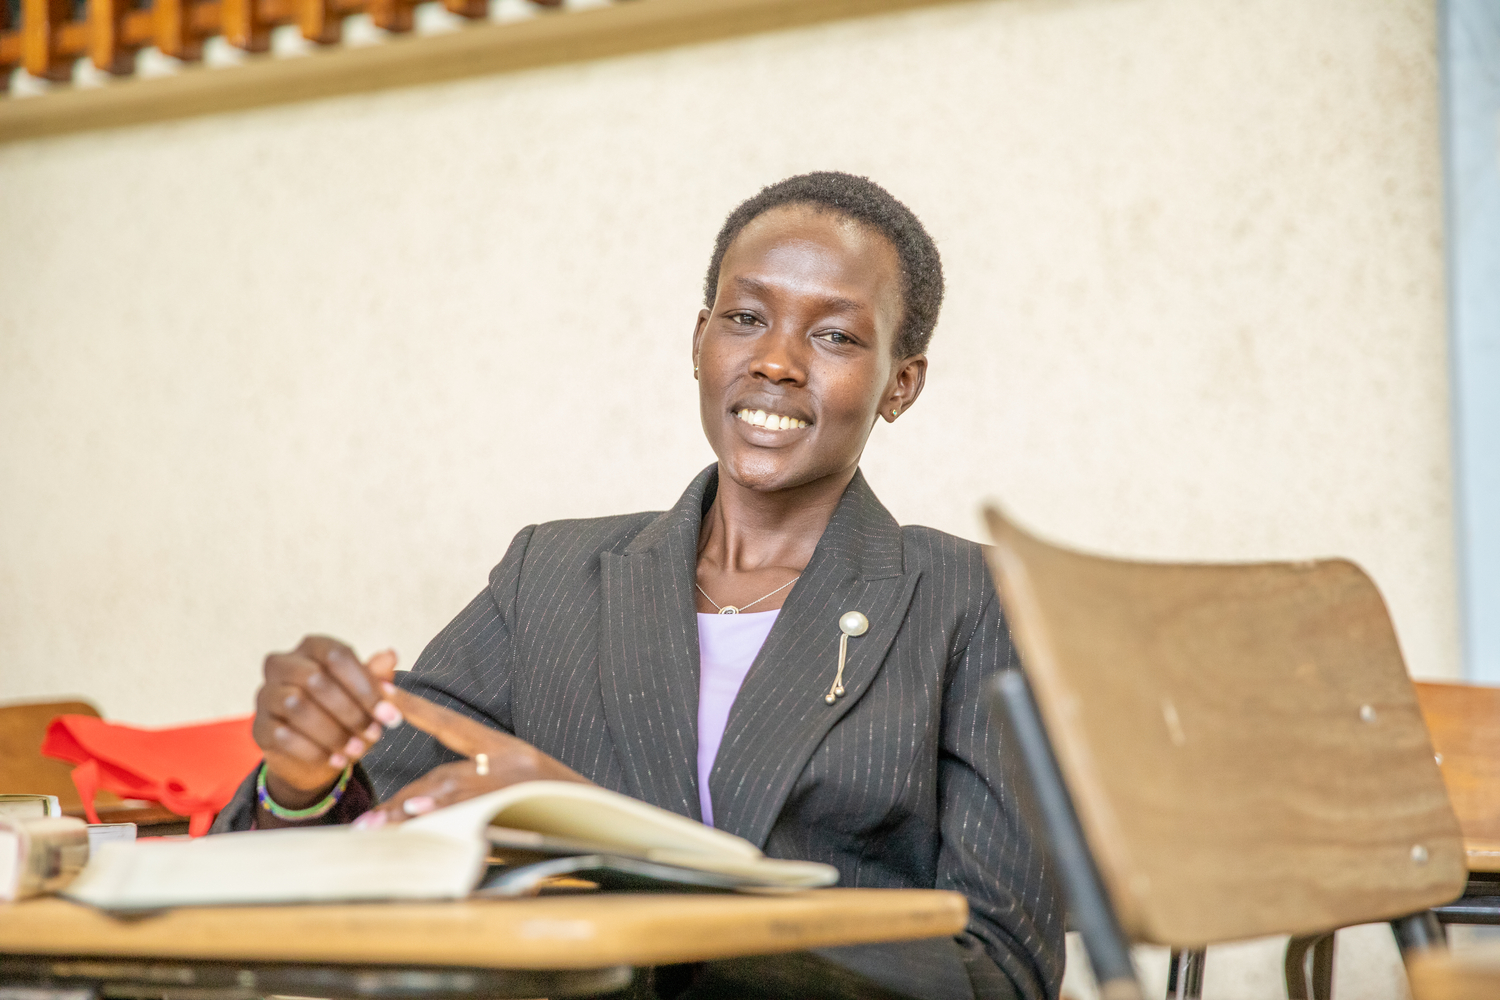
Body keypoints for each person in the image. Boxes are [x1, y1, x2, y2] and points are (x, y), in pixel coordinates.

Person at [213, 172, 1064, 1000]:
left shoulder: (971, 599)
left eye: (835, 336)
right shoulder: (550, 575)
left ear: (900, 385)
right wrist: (302, 779)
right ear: (699, 342)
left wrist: (621, 850)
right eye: (745, 318)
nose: (775, 361)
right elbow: (352, 841)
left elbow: (998, 967)